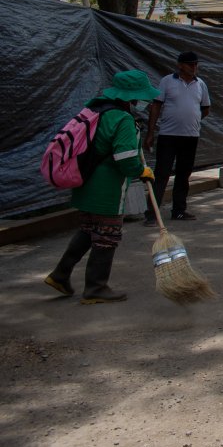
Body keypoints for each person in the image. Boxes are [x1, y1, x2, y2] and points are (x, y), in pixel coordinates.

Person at [46, 70, 159, 303]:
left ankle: (60, 274)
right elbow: (127, 160)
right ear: (131, 98)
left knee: (88, 230)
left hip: (85, 182)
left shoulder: (96, 110)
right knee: (107, 235)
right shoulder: (123, 119)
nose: (143, 102)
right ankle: (96, 287)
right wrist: (142, 171)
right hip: (107, 188)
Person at [144, 51, 210, 224]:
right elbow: (156, 106)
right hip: (168, 135)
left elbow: (205, 108)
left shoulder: (200, 84)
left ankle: (179, 210)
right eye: (190, 64)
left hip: (190, 136)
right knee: (162, 174)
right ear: (180, 65)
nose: (194, 68)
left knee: (183, 174)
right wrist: (151, 132)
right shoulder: (167, 82)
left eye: (196, 64)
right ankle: (152, 214)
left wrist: (193, 120)